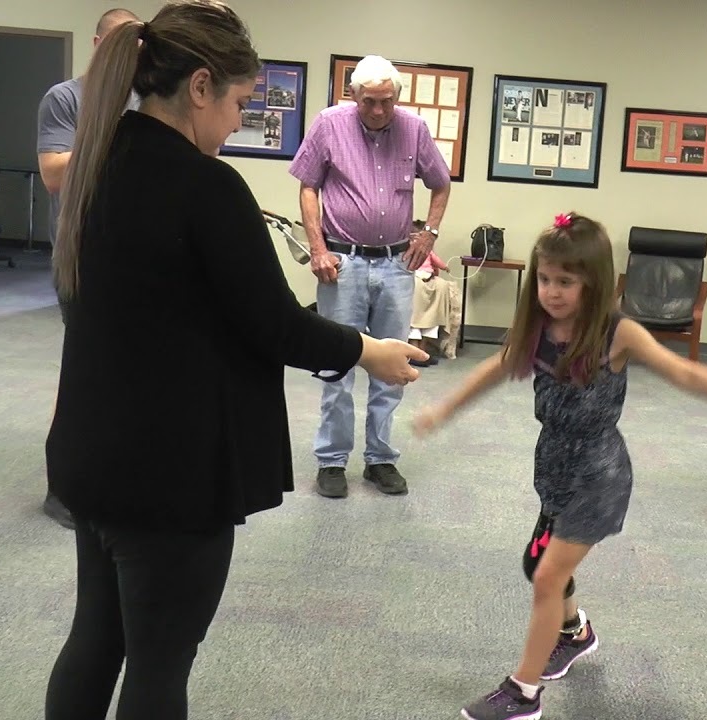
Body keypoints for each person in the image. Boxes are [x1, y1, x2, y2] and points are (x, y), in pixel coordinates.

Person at [41, 4, 426, 718]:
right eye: (241, 104)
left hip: (93, 456)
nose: (238, 124)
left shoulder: (102, 162)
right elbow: (275, 326)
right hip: (169, 476)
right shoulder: (204, 186)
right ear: (199, 87)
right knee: (159, 667)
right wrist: (370, 350)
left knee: (96, 639)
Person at [414, 212, 707, 720]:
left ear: (594, 282)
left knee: (547, 579)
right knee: (537, 565)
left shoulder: (616, 334)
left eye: (566, 282)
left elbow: (687, 375)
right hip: (554, 466)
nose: (552, 292)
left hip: (599, 477)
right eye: (547, 280)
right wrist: (444, 409)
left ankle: (523, 695)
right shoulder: (539, 328)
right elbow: (496, 367)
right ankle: (575, 633)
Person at [288, 54, 452, 499]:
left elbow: (440, 182)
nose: (378, 111)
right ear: (353, 95)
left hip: (396, 264)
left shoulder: (414, 129)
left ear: (396, 97)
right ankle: (332, 461)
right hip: (344, 263)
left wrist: (430, 233)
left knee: (391, 365)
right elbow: (308, 185)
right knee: (336, 363)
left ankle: (380, 459)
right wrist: (317, 248)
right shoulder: (329, 123)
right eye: (368, 102)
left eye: (386, 101)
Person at [35, 6, 140, 530]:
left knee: (124, 373)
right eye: (119, 41)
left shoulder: (148, 102)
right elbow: (54, 172)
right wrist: (115, 145)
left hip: (133, 258)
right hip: (79, 257)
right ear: (98, 44)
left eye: (138, 43)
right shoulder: (67, 99)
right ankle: (62, 488)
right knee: (82, 372)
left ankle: (109, 473)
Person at [408, 219, 452, 367]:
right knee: (417, 297)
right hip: (414, 278)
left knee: (441, 286)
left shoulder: (429, 252)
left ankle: (424, 349)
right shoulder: (407, 249)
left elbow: (437, 262)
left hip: (429, 278)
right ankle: (414, 349)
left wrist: (443, 268)